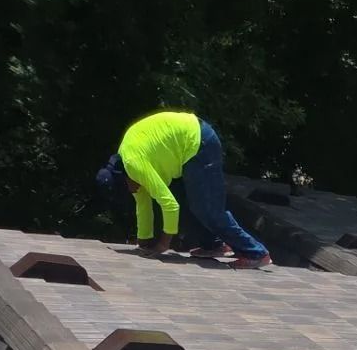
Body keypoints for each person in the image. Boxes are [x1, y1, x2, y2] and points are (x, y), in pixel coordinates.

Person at [95, 111, 269, 269]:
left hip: (199, 141)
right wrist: (143, 242)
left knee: (208, 208)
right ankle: (214, 245)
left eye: (126, 190)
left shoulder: (134, 165)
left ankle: (255, 252)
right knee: (190, 204)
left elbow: (170, 206)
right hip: (188, 142)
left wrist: (163, 245)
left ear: (122, 180)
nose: (133, 192)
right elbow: (143, 206)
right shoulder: (124, 166)